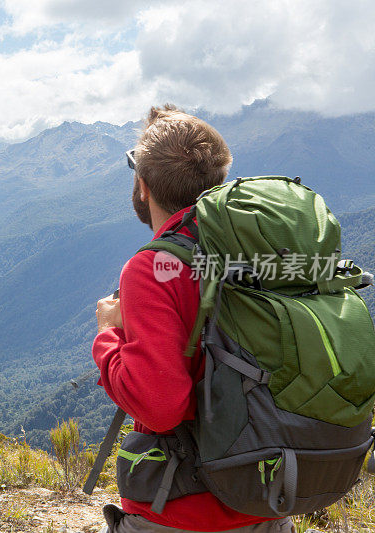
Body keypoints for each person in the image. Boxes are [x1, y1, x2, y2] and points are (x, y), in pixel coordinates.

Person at [92, 105, 294, 533]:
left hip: (183, 511)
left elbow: (161, 407)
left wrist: (108, 334)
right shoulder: (258, 250)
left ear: (143, 187)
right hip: (269, 495)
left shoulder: (152, 269)